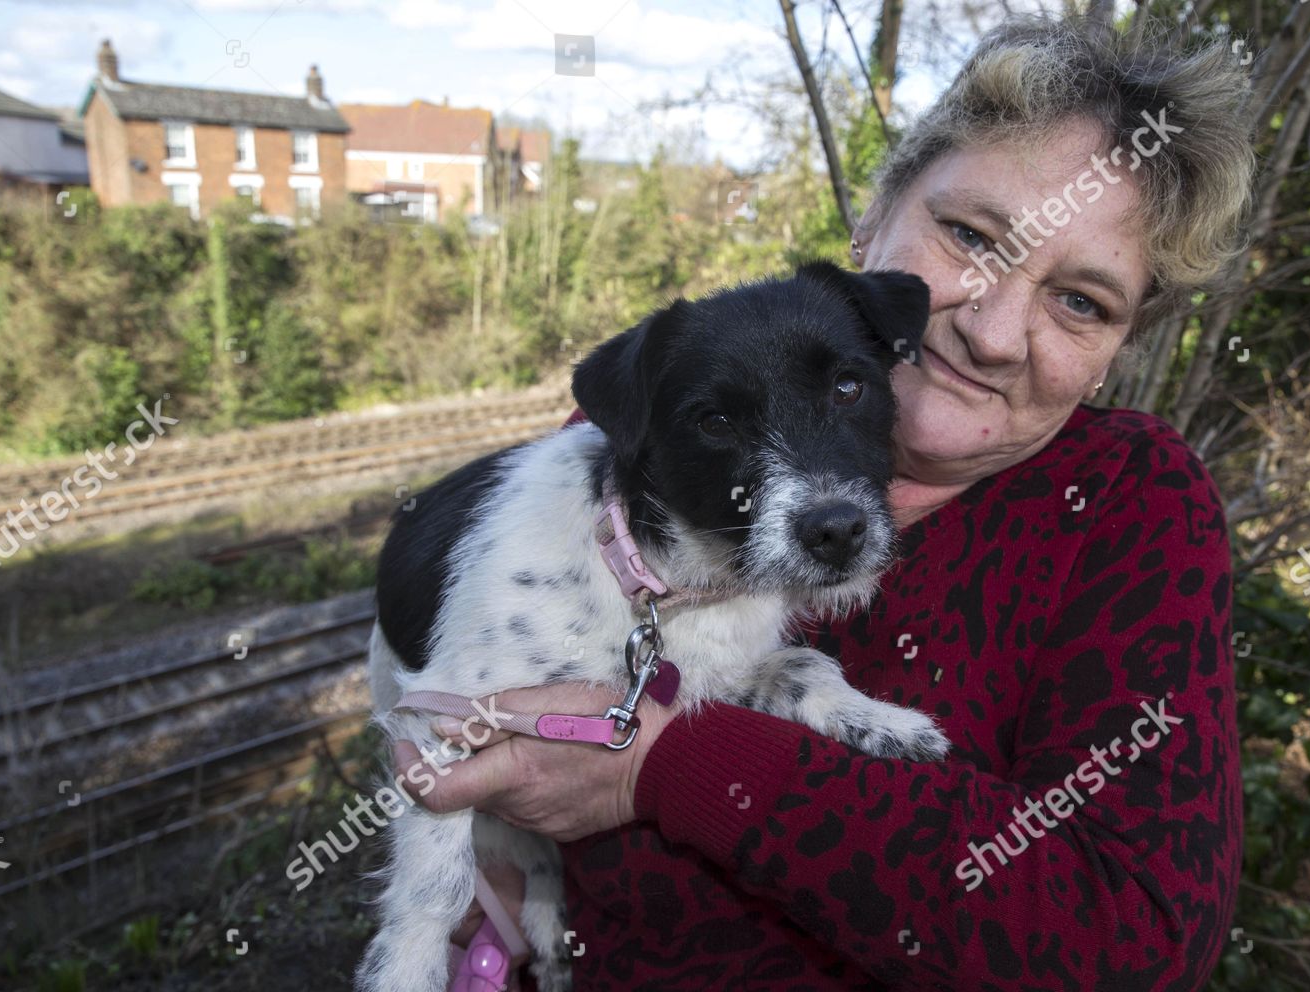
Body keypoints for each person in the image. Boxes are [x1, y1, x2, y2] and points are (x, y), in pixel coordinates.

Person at [390, 14, 1256, 990]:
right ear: (872, 223)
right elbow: (445, 729)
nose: (995, 330)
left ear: (1116, 354)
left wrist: (665, 766)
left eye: (1081, 302)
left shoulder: (1126, 504)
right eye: (971, 235)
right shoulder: (647, 459)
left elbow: (1129, 938)